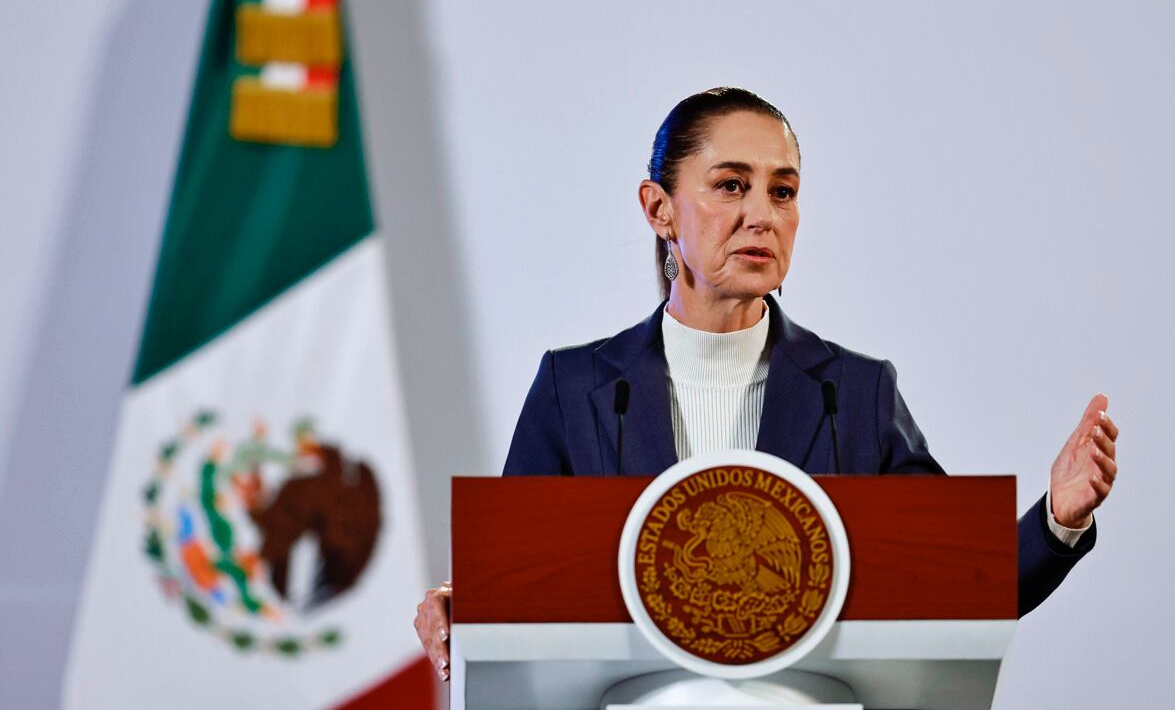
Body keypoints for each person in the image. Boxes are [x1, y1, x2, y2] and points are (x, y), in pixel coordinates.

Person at [413, 87, 1120, 682]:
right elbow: (520, 586)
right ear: (659, 210)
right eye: (730, 185)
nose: (763, 214)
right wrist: (462, 603)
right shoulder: (575, 389)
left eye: (782, 191)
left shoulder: (856, 392)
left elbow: (956, 588)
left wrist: (1059, 516)